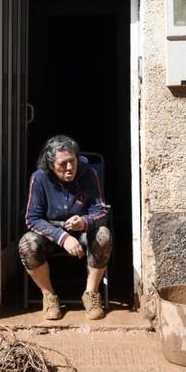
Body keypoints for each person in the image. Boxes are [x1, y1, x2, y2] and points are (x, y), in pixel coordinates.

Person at [20, 135, 112, 320]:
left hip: (83, 233)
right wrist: (63, 237)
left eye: (73, 161)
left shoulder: (88, 173)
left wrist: (85, 221)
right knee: (27, 244)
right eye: (63, 164)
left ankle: (91, 294)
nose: (70, 167)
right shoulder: (39, 178)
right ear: (51, 165)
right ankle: (49, 297)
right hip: (51, 234)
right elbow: (32, 219)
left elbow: (101, 211)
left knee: (103, 235)